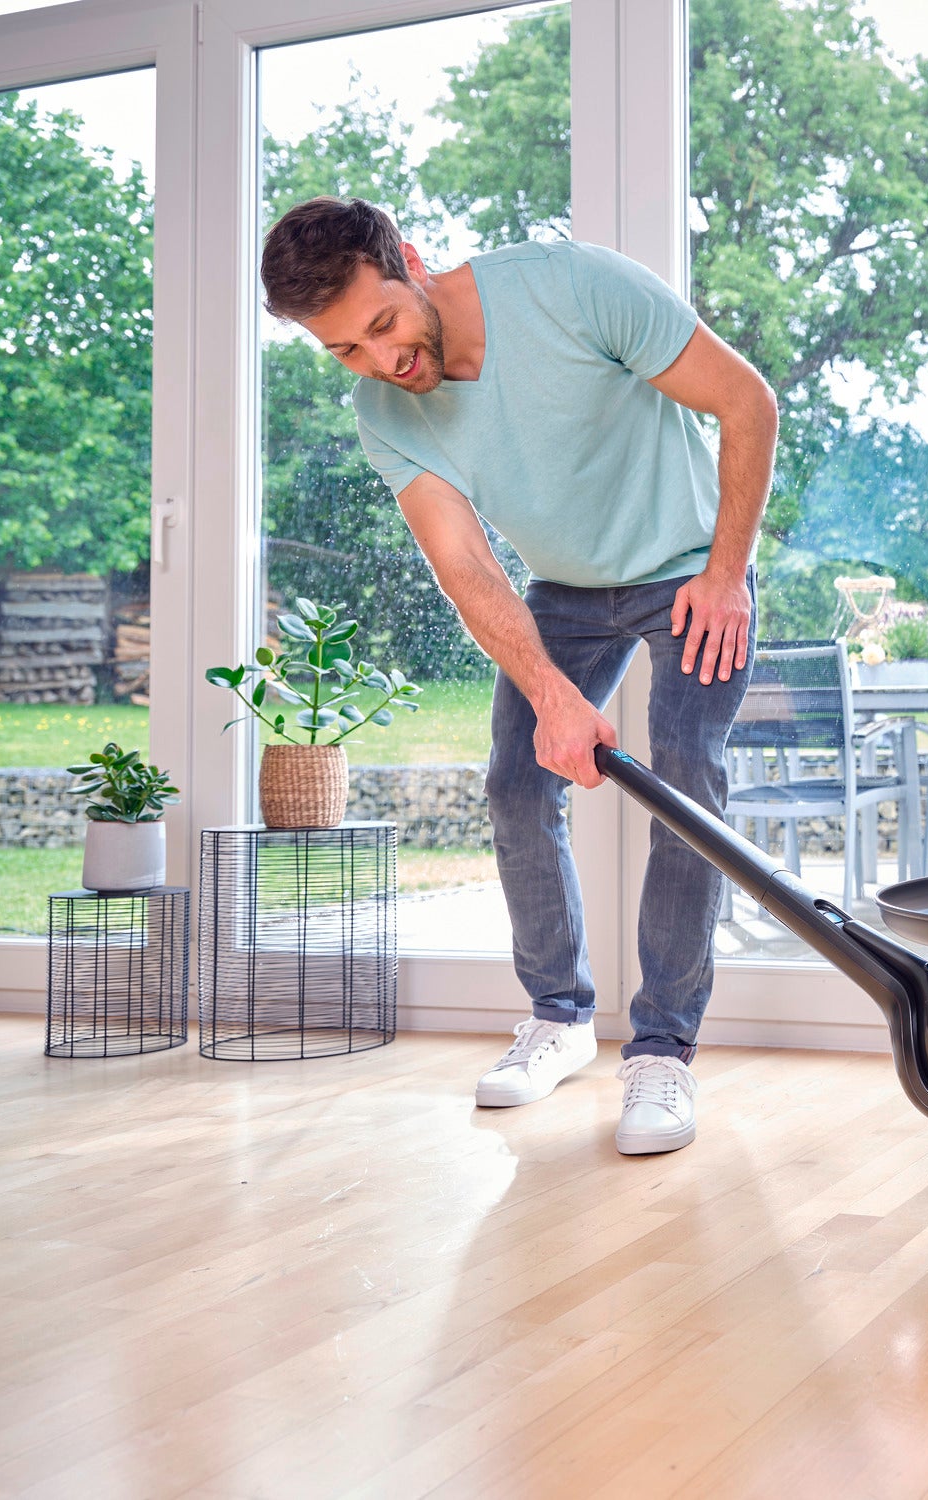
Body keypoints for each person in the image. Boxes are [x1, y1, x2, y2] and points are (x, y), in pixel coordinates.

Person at [258, 196, 777, 1155]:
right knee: (514, 780)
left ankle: (661, 1050)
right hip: (567, 591)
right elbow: (465, 566)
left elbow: (747, 401)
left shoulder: (570, 287)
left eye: (383, 325)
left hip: (688, 571)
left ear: (410, 260)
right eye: (345, 353)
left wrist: (727, 572)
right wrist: (551, 694)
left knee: (687, 779)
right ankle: (560, 1015)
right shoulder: (385, 411)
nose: (382, 363)